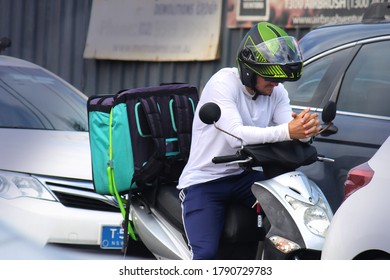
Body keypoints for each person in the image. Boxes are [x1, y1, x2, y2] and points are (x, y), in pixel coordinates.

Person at [177, 22, 321, 260]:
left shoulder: (276, 92)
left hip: (242, 177)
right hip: (204, 181)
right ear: (248, 70)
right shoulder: (223, 84)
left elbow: (291, 128)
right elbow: (237, 136)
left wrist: (306, 129)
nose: (276, 83)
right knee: (206, 256)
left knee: (294, 214)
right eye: (270, 77)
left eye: (279, 78)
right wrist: (289, 130)